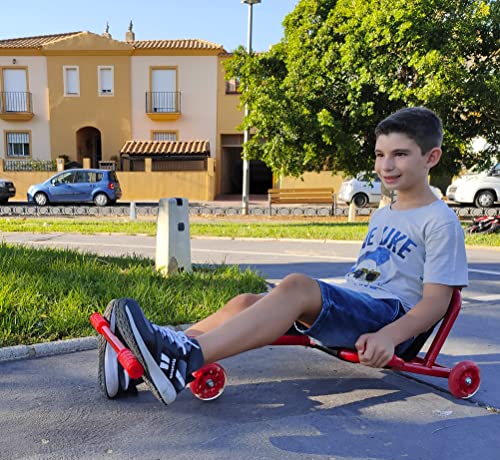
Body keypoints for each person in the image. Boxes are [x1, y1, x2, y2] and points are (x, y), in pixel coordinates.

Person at [97, 106, 468, 405]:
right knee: (246, 301)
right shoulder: (384, 213)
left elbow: (437, 303)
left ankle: (184, 361)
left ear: (430, 157)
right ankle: (155, 349)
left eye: (400, 154)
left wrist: (389, 336)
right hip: (361, 305)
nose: (386, 165)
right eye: (380, 154)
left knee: (296, 287)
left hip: (389, 320)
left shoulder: (440, 221)